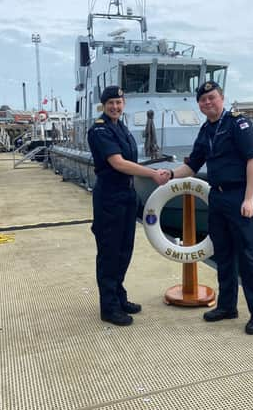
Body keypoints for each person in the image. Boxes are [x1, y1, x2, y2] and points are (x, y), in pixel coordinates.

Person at [166, 81, 253, 335]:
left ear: (221, 98)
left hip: (238, 197)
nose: (208, 103)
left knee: (248, 256)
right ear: (199, 105)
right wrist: (168, 174)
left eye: (212, 97)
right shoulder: (205, 131)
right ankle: (227, 306)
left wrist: (249, 199)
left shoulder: (238, 123)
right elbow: (192, 167)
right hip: (217, 198)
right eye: (203, 100)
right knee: (222, 254)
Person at [87, 85, 169, 326]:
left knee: (124, 251)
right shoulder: (100, 130)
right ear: (104, 105)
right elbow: (119, 163)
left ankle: (119, 296)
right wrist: (152, 174)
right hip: (110, 198)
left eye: (119, 102)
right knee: (110, 253)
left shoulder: (120, 127)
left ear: (124, 104)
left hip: (126, 195)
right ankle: (109, 308)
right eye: (111, 103)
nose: (115, 107)